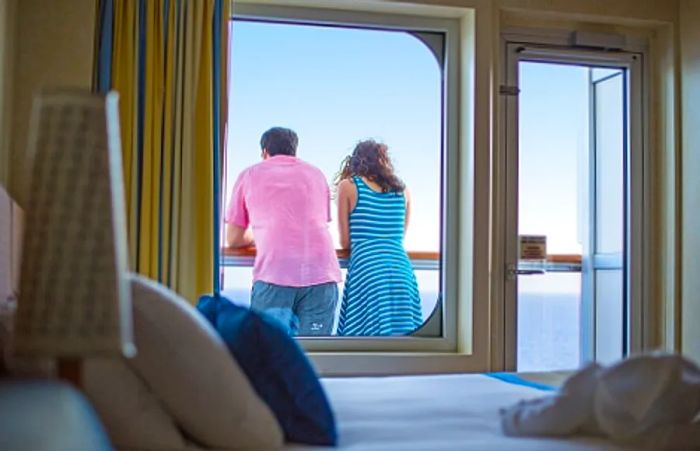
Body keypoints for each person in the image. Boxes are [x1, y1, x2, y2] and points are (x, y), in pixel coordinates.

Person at [224, 127, 341, 336]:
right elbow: (317, 222)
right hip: (323, 274)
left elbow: (233, 239)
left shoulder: (249, 174)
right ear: (294, 151)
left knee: (267, 355)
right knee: (316, 357)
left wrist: (258, 234)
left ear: (264, 152)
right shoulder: (316, 174)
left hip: (275, 274)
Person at [334, 139, 423, 336]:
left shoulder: (349, 186)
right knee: (403, 338)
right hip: (402, 269)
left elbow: (345, 242)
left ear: (356, 161)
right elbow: (399, 237)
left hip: (368, 270)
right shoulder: (403, 191)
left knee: (368, 343)